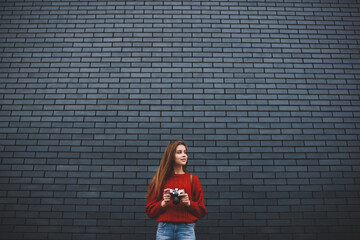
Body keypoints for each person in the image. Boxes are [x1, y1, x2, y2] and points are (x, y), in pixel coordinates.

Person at [145, 140, 207, 240]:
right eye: (179, 152)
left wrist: (188, 203)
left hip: (186, 228)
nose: (184, 155)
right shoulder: (160, 179)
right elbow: (150, 211)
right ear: (170, 155)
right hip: (164, 228)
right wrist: (163, 203)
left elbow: (202, 211)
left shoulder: (193, 179)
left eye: (185, 152)